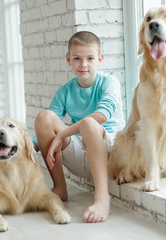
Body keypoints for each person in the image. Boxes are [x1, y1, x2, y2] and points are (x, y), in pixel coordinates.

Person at [32, 31, 125, 223]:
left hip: (111, 154)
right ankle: (59, 187)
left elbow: (102, 116)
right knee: (44, 117)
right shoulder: (65, 91)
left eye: (90, 58)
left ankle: (102, 198)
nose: (83, 64)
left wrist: (62, 135)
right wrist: (29, 148)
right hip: (82, 154)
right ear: (68, 59)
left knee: (90, 124)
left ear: (100, 59)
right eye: (77, 58)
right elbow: (47, 127)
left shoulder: (110, 82)